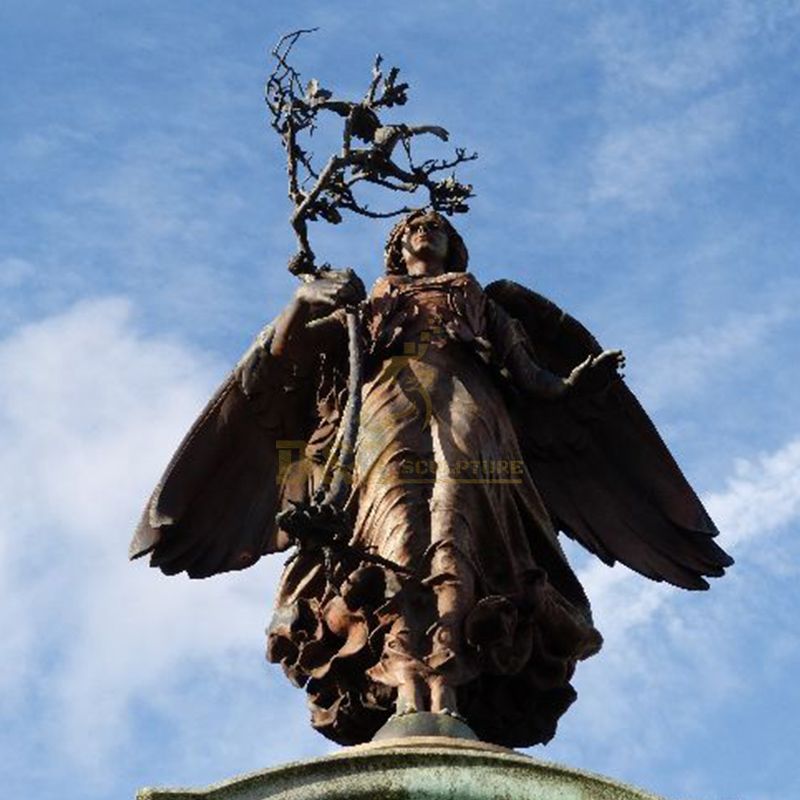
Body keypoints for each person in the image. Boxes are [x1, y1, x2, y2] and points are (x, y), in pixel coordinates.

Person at [131, 210, 731, 747]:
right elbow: (282, 364)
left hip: (471, 406)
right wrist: (301, 303)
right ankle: (403, 678)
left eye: (439, 227)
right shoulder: (362, 306)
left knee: (455, 526)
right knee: (395, 535)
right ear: (397, 246)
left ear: (453, 244)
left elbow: (530, 375)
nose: (428, 232)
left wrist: (575, 387)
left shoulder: (481, 300)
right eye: (415, 228)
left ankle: (444, 681)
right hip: (384, 408)